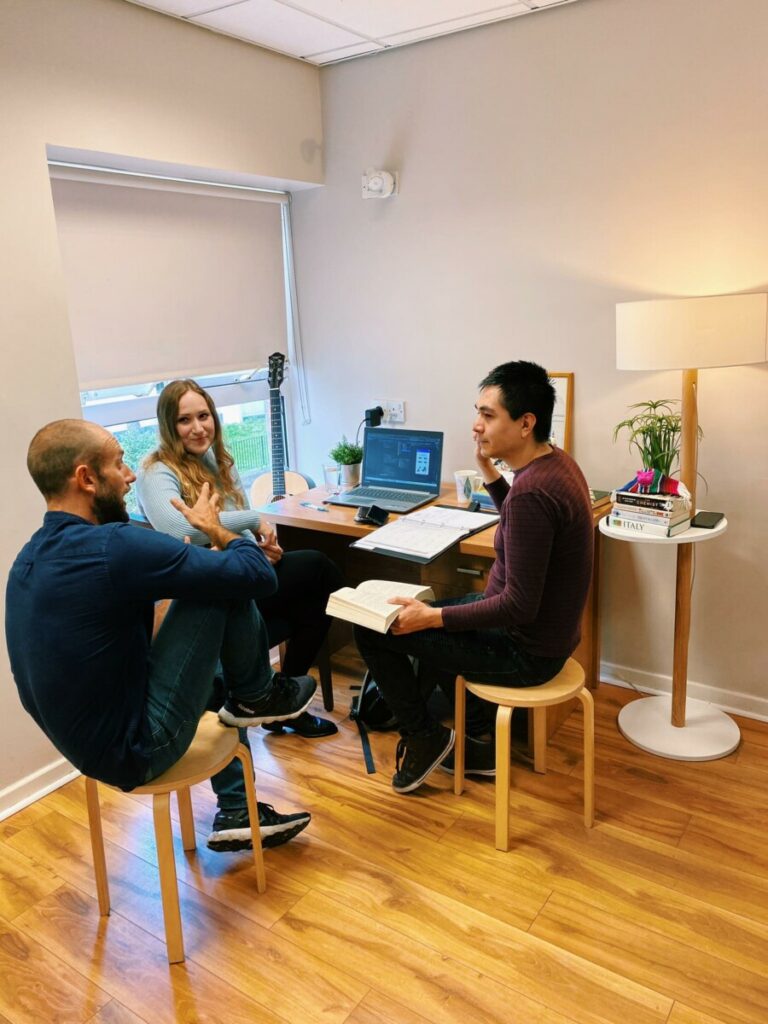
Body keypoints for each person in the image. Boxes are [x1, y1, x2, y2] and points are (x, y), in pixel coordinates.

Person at [5, 419, 317, 852]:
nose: (131, 475)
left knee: (212, 618)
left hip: (87, 749)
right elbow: (258, 576)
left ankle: (238, 805)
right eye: (119, 464)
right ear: (87, 479)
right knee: (222, 584)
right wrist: (218, 530)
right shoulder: (114, 545)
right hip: (138, 751)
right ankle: (257, 695)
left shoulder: (30, 557)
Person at [354, 360, 594, 794]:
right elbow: (526, 525)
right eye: (478, 413)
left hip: (525, 653)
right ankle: (478, 745)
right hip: (544, 639)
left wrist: (430, 619)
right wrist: (488, 472)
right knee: (457, 603)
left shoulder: (532, 492)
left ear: (525, 423)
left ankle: (426, 737)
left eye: (488, 415)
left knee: (376, 629)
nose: (476, 426)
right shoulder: (555, 464)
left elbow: (520, 604)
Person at [136, 379, 343, 738]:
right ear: (169, 426)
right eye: (185, 420)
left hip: (234, 575)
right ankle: (269, 697)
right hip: (204, 596)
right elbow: (176, 527)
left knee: (320, 583)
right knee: (314, 571)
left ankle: (283, 701)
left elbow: (231, 522)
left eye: (204, 416)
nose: (198, 427)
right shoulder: (155, 471)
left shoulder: (215, 459)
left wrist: (257, 549)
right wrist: (252, 523)